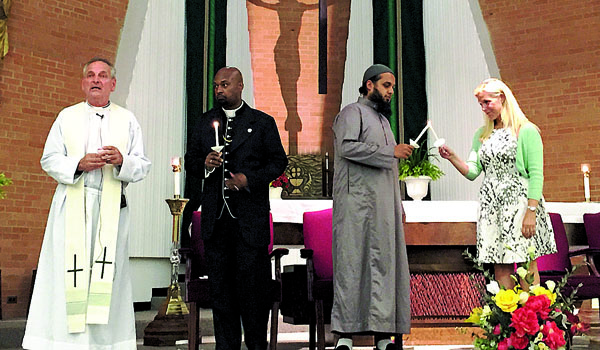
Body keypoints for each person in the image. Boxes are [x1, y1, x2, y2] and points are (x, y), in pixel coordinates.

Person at [22, 57, 151, 349]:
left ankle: (106, 344)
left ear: (112, 84)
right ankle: (62, 342)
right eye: (91, 75)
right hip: (72, 207)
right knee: (67, 273)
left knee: (108, 277)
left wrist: (122, 161)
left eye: (103, 75)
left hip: (110, 211)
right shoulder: (66, 117)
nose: (96, 80)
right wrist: (77, 164)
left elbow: (142, 165)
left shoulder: (127, 119)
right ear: (83, 83)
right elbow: (49, 159)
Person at [184, 66, 288, 350]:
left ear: (240, 86)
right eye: (216, 85)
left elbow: (278, 162)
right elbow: (190, 159)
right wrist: (204, 163)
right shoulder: (205, 122)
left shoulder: (261, 122)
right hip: (216, 224)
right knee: (222, 295)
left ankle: (256, 346)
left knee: (252, 296)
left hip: (248, 224)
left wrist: (248, 179)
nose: (219, 90)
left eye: (225, 85)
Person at [438, 78, 556, 289]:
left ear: (502, 98)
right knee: (499, 263)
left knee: (526, 262)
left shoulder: (525, 131)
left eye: (487, 102)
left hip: (519, 204)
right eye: (481, 104)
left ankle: (531, 317)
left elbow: (537, 174)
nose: (484, 108)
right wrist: (453, 157)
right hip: (492, 205)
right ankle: (507, 317)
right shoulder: (482, 135)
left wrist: (531, 210)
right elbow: (472, 172)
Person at [331, 64, 413, 350]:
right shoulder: (352, 113)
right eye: (386, 86)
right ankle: (344, 335)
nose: (391, 92)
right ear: (369, 85)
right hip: (356, 207)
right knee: (352, 267)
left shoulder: (383, 121)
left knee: (383, 268)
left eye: (392, 87)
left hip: (383, 209)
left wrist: (397, 203)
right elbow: (347, 148)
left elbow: (389, 170)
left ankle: (382, 336)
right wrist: (390, 151)